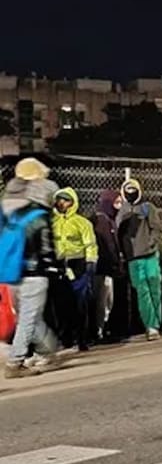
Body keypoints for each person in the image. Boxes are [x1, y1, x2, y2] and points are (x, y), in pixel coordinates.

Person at [3, 158, 62, 379]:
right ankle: (15, 362)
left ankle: (49, 351)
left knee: (29, 317)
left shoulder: (8, 207)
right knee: (29, 318)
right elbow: (46, 247)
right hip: (34, 273)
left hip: (11, 272)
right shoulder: (37, 213)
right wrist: (52, 265)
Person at [51, 187, 99, 351]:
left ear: (73, 202)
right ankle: (65, 338)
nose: (61, 203)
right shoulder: (52, 222)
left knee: (80, 303)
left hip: (77, 265)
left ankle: (82, 338)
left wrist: (91, 263)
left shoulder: (82, 223)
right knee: (60, 304)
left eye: (65, 200)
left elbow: (90, 244)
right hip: (58, 266)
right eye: (59, 200)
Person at [117, 178, 162, 340]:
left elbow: (156, 228)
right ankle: (151, 326)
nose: (131, 194)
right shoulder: (121, 210)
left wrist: (151, 243)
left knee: (155, 290)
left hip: (150, 255)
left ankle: (157, 322)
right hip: (133, 259)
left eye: (133, 191)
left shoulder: (147, 207)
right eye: (127, 191)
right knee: (143, 292)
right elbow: (118, 233)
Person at [91, 189, 122, 342]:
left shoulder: (108, 219)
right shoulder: (103, 221)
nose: (119, 205)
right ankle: (99, 331)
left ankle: (101, 329)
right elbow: (108, 246)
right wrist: (114, 263)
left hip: (105, 267)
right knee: (103, 301)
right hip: (103, 267)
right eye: (116, 202)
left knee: (105, 300)